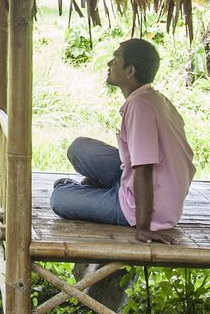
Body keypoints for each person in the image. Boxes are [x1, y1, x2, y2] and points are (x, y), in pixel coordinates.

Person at [49, 37, 194, 243]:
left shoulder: (139, 107)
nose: (109, 64)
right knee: (78, 148)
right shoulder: (153, 98)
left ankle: (84, 190)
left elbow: (144, 168)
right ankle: (101, 189)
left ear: (130, 71)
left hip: (143, 207)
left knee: (59, 197)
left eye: (115, 60)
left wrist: (142, 228)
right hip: (152, 186)